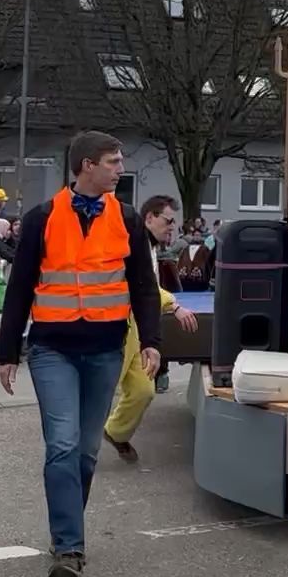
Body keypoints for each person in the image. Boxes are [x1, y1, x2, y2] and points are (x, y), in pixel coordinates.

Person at [0, 131, 168, 577]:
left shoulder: (127, 218)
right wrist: (7, 351)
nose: (120, 169)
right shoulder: (42, 218)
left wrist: (151, 341)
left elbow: (144, 287)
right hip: (52, 349)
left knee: (87, 453)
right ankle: (70, 548)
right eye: (113, 162)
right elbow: (20, 288)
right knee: (63, 446)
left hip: (106, 350)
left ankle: (67, 530)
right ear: (87, 165)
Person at [102, 195, 198, 461]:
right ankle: (74, 448)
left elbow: (148, 289)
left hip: (136, 329)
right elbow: (141, 286)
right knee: (100, 392)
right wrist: (173, 305)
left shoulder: (150, 247)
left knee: (143, 391)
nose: (172, 227)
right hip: (118, 327)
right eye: (168, 221)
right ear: (149, 218)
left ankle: (116, 433)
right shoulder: (131, 245)